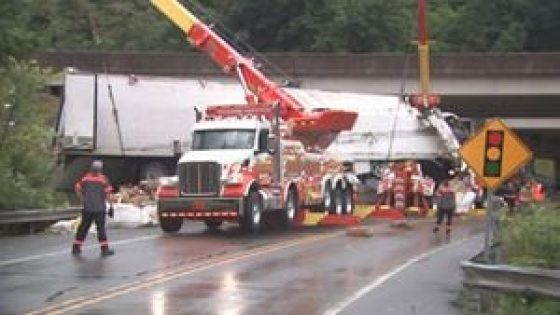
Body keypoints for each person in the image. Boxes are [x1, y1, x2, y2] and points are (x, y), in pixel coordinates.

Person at [72, 160, 115, 256]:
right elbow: (108, 194)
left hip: (87, 208)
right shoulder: (103, 179)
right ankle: (104, 250)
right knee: (101, 229)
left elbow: (77, 188)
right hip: (99, 209)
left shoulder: (85, 178)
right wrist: (111, 206)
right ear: (100, 169)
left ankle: (76, 247)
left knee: (83, 227)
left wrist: (82, 199)